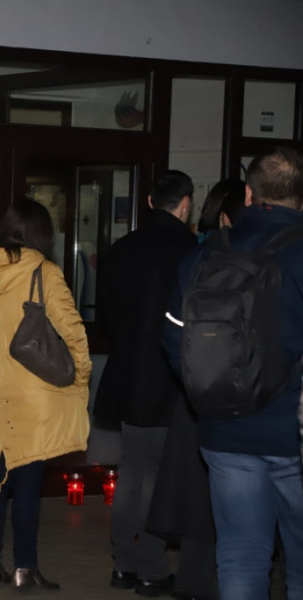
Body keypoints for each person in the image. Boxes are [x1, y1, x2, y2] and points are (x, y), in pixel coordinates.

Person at [163, 147, 303, 600]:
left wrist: (211, 390)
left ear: (247, 193)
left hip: (224, 431)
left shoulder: (207, 253)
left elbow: (174, 339)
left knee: (241, 556)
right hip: (293, 437)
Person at [0, 198, 91, 593]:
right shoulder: (46, 271)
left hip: (2, 389)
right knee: (28, 482)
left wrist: (2, 372)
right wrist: (80, 375)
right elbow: (72, 329)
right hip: (39, 393)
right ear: (42, 232)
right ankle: (25, 568)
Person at [94, 170, 196, 597]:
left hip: (127, 374)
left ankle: (124, 564)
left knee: (132, 473)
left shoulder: (122, 248)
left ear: (151, 201)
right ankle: (151, 567)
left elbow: (107, 315)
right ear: (186, 205)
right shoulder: (191, 251)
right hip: (169, 379)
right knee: (158, 477)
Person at [146, 179, 246, 600]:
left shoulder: (198, 255)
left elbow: (173, 334)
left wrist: (193, 379)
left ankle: (183, 581)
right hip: (237, 400)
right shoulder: (230, 257)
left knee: (193, 501)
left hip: (196, 393)